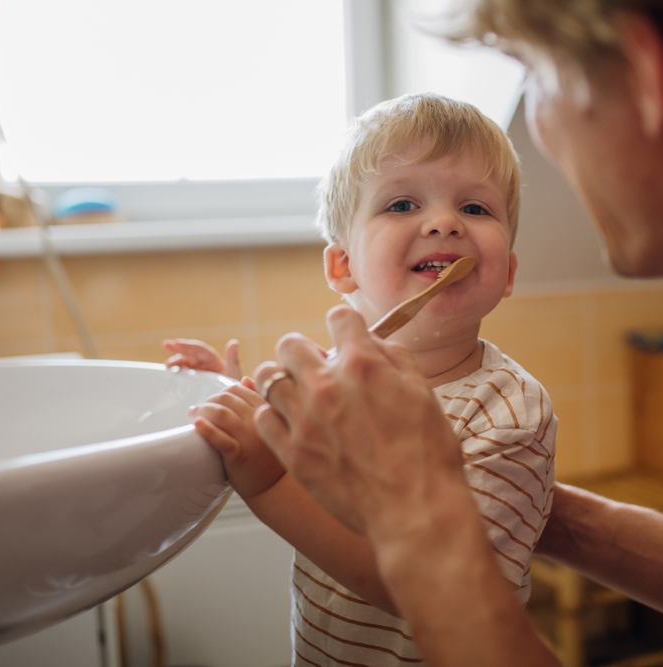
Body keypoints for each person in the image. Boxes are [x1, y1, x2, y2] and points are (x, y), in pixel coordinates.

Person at [241, 1, 663, 666]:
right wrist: (520, 508)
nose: (538, 129)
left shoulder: (510, 403)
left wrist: (417, 526)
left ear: (650, 78)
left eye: (536, 76)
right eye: (403, 202)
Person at [165, 93, 558, 666]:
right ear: (342, 266)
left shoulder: (509, 411)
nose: (445, 221)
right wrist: (230, 397)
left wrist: (267, 479)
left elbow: (451, 600)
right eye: (402, 203)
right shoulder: (333, 380)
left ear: (508, 275)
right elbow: (286, 444)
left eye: (476, 209)